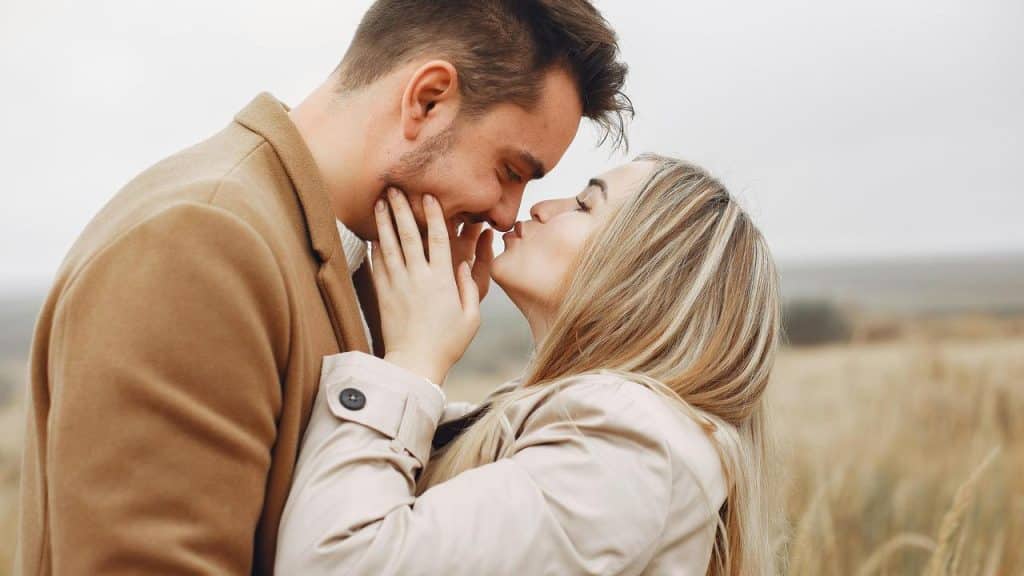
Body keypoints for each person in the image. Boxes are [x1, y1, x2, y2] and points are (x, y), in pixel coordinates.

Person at [16, 1, 631, 573]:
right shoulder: (202, 241)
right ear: (429, 100)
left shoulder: (341, 262)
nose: (506, 214)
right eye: (510, 171)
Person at [276, 155, 782, 575]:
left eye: (584, 205)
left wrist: (414, 358)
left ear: (646, 272)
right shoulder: (586, 427)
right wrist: (397, 319)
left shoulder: (632, 444)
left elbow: (336, 561)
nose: (541, 207)